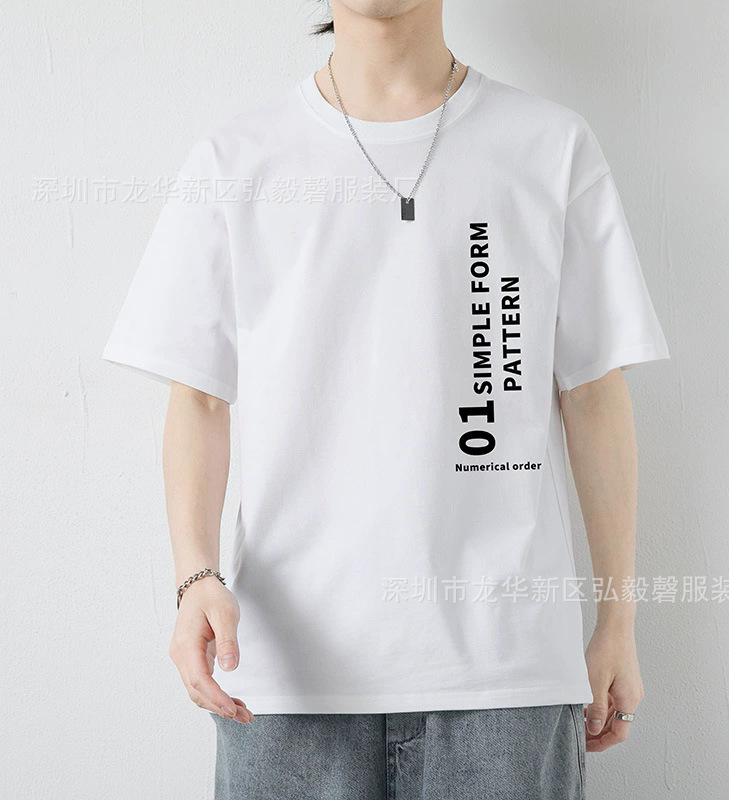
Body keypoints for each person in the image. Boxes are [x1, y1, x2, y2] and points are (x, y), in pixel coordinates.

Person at [102, 1, 670, 797]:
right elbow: (197, 397)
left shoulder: (549, 146)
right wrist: (195, 578)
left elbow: (594, 392)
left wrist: (619, 619)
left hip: (504, 679)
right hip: (289, 679)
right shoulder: (236, 157)